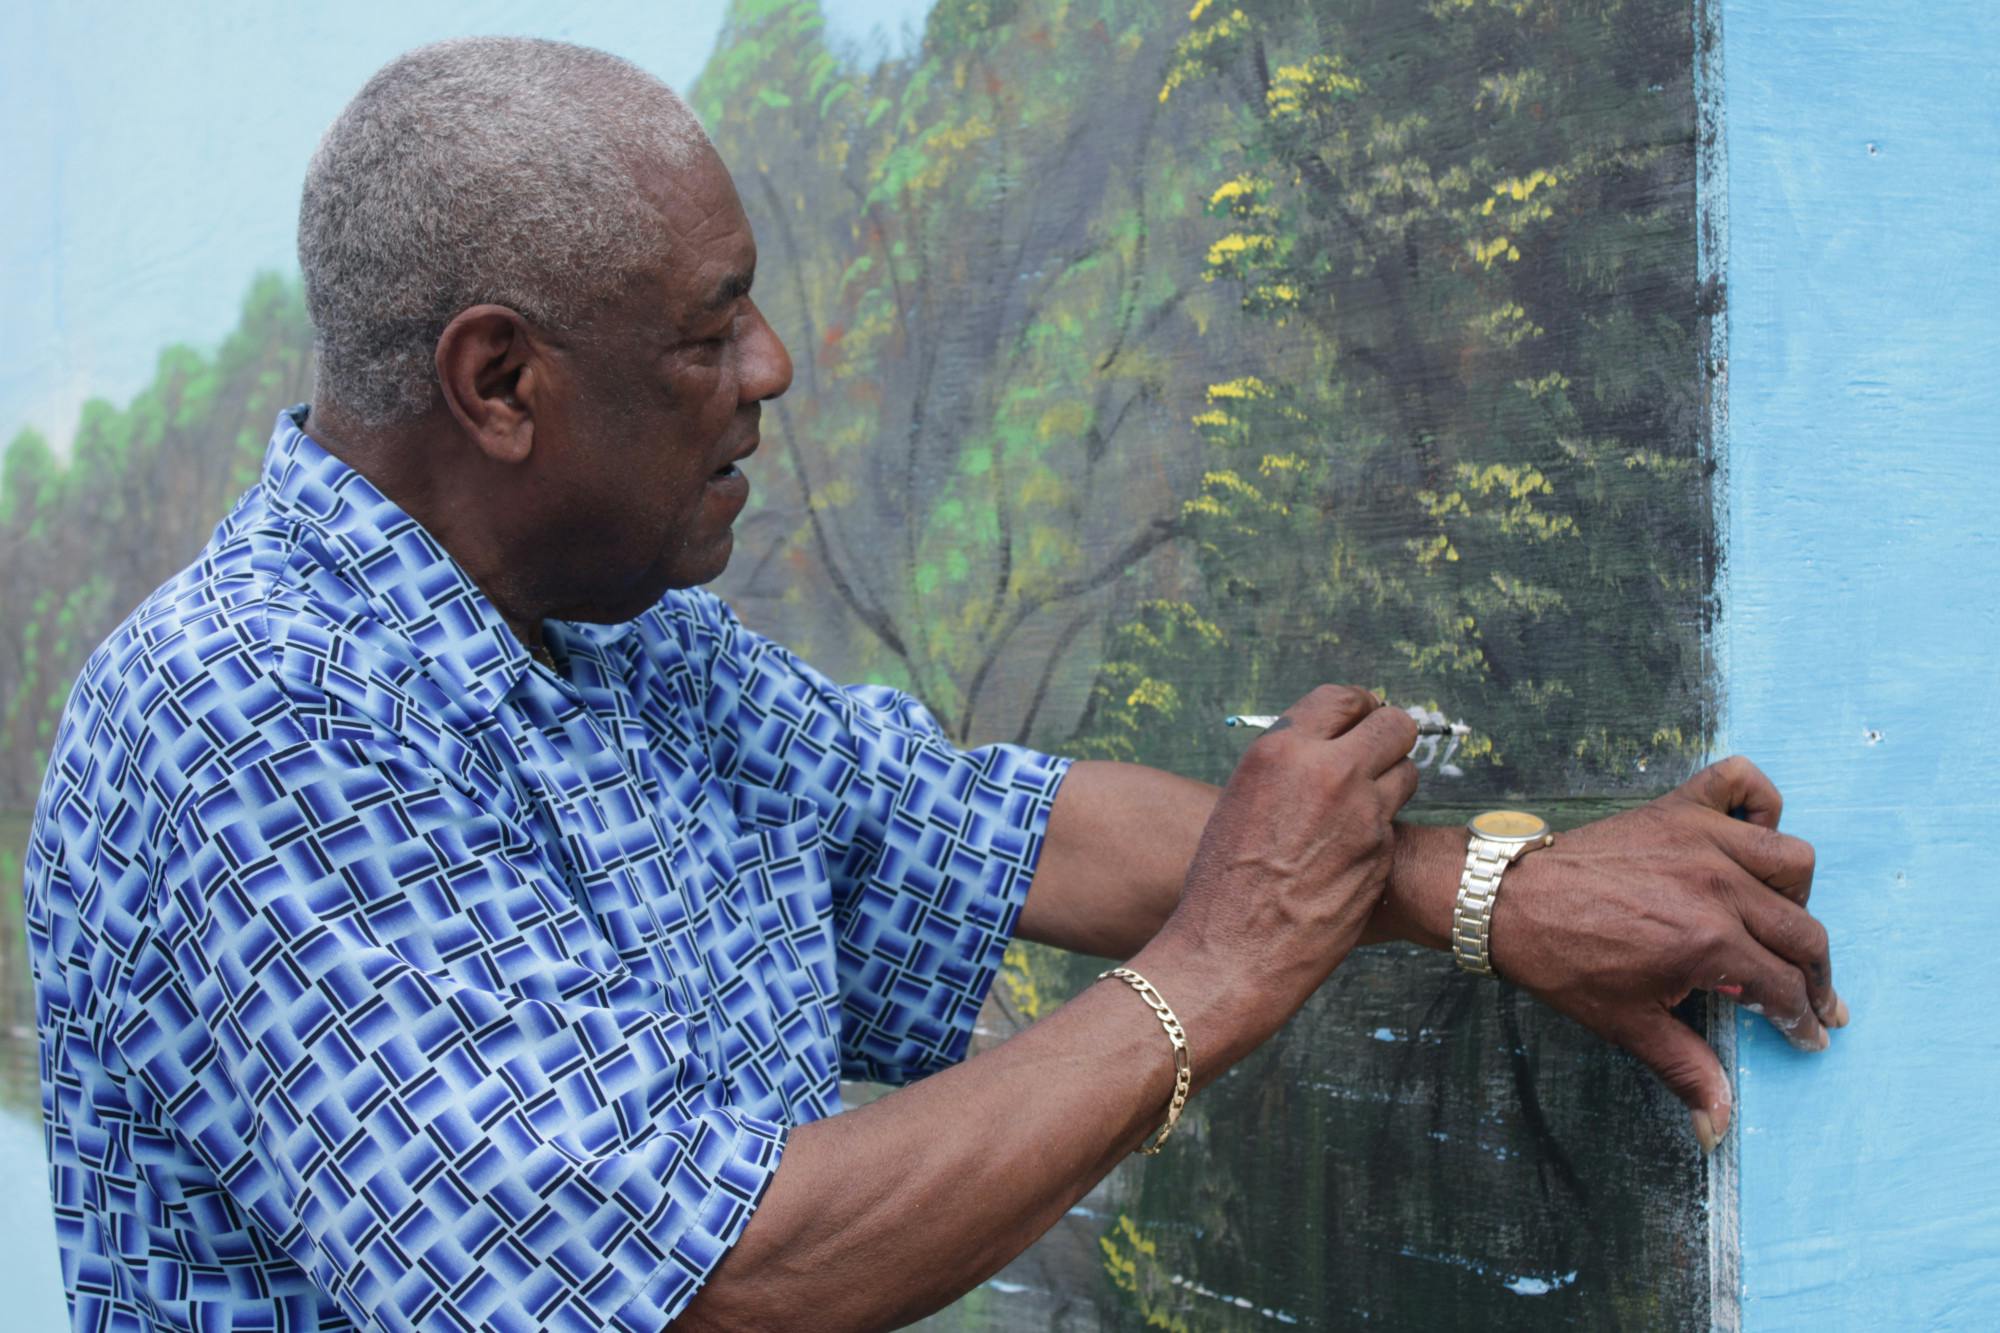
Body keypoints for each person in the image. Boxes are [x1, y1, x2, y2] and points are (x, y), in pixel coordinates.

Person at [21, 36, 1841, 1333]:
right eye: (706, 327)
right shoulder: (255, 724)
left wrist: (1504, 891)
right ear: (500, 384)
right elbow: (703, 1281)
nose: (774, 361)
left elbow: (989, 831)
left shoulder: (611, 630)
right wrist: (1217, 971)